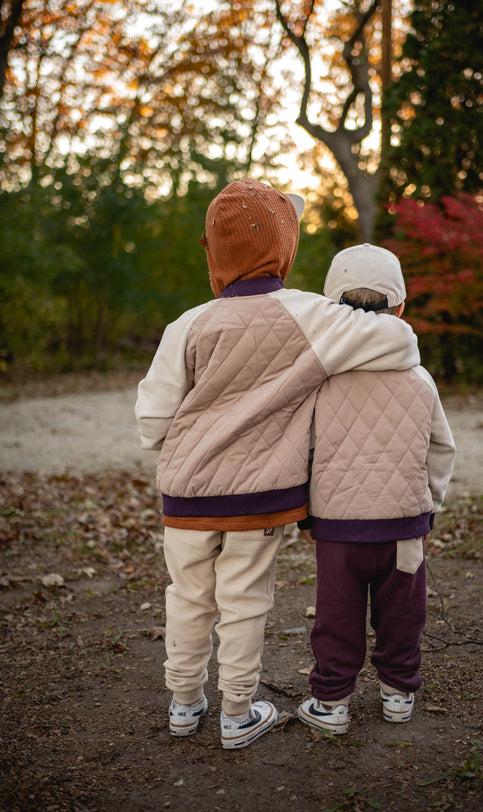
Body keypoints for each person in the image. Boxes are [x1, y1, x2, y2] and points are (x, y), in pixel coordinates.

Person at [135, 181, 421, 750]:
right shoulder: (312, 316)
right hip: (259, 499)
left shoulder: (187, 325)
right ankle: (237, 714)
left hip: (187, 497)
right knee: (243, 603)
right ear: (285, 250)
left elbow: (150, 422)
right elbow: (399, 341)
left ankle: (184, 704)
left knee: (186, 597)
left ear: (213, 254)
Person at [297, 244, 455, 734]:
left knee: (336, 615)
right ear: (401, 307)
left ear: (330, 305)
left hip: (338, 527)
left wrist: (305, 511)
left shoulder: (319, 378)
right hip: (405, 526)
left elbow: (302, 448)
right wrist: (428, 507)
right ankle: (399, 692)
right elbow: (441, 450)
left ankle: (332, 703)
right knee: (403, 611)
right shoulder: (420, 378)